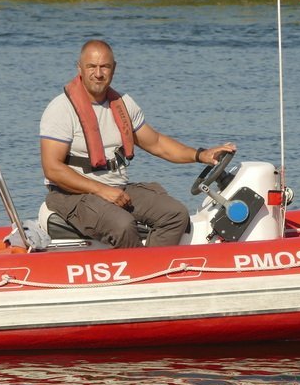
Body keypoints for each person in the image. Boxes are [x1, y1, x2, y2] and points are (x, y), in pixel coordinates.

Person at [39, 39, 237, 248]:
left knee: (175, 215)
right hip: (71, 195)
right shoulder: (61, 109)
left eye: (104, 66)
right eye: (92, 66)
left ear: (114, 68)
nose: (98, 73)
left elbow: (157, 143)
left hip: (117, 187)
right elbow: (53, 169)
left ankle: (155, 269)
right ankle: (136, 273)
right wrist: (102, 190)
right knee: (123, 225)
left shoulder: (123, 104)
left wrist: (201, 155)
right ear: (80, 67)